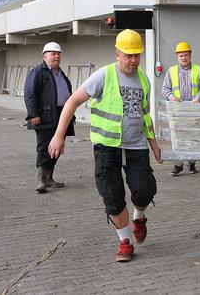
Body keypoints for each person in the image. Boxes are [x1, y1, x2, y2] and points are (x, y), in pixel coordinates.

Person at [48, 29, 162, 263]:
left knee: (144, 190)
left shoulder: (144, 79)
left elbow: (145, 115)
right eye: (128, 55)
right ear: (117, 54)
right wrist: (59, 135)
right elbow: (72, 101)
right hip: (106, 145)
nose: (133, 60)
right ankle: (125, 241)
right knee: (112, 194)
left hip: (136, 145)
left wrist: (153, 143)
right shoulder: (103, 75)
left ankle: (139, 216)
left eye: (136, 55)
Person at [24, 41, 75, 194]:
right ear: (45, 56)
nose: (56, 56)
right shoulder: (38, 71)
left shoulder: (61, 73)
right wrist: (33, 114)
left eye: (58, 53)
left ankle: (50, 178)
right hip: (44, 116)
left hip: (61, 115)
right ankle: (41, 180)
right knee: (43, 147)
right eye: (53, 53)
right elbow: (29, 93)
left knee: (57, 147)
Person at [162, 41, 200, 176]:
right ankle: (178, 165)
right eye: (181, 55)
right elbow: (165, 88)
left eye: (185, 55)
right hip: (178, 112)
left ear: (190, 55)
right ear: (177, 56)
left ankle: (192, 162)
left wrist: (198, 98)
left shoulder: (198, 70)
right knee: (178, 139)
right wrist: (172, 98)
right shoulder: (171, 71)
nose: (183, 58)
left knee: (193, 138)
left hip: (194, 111)